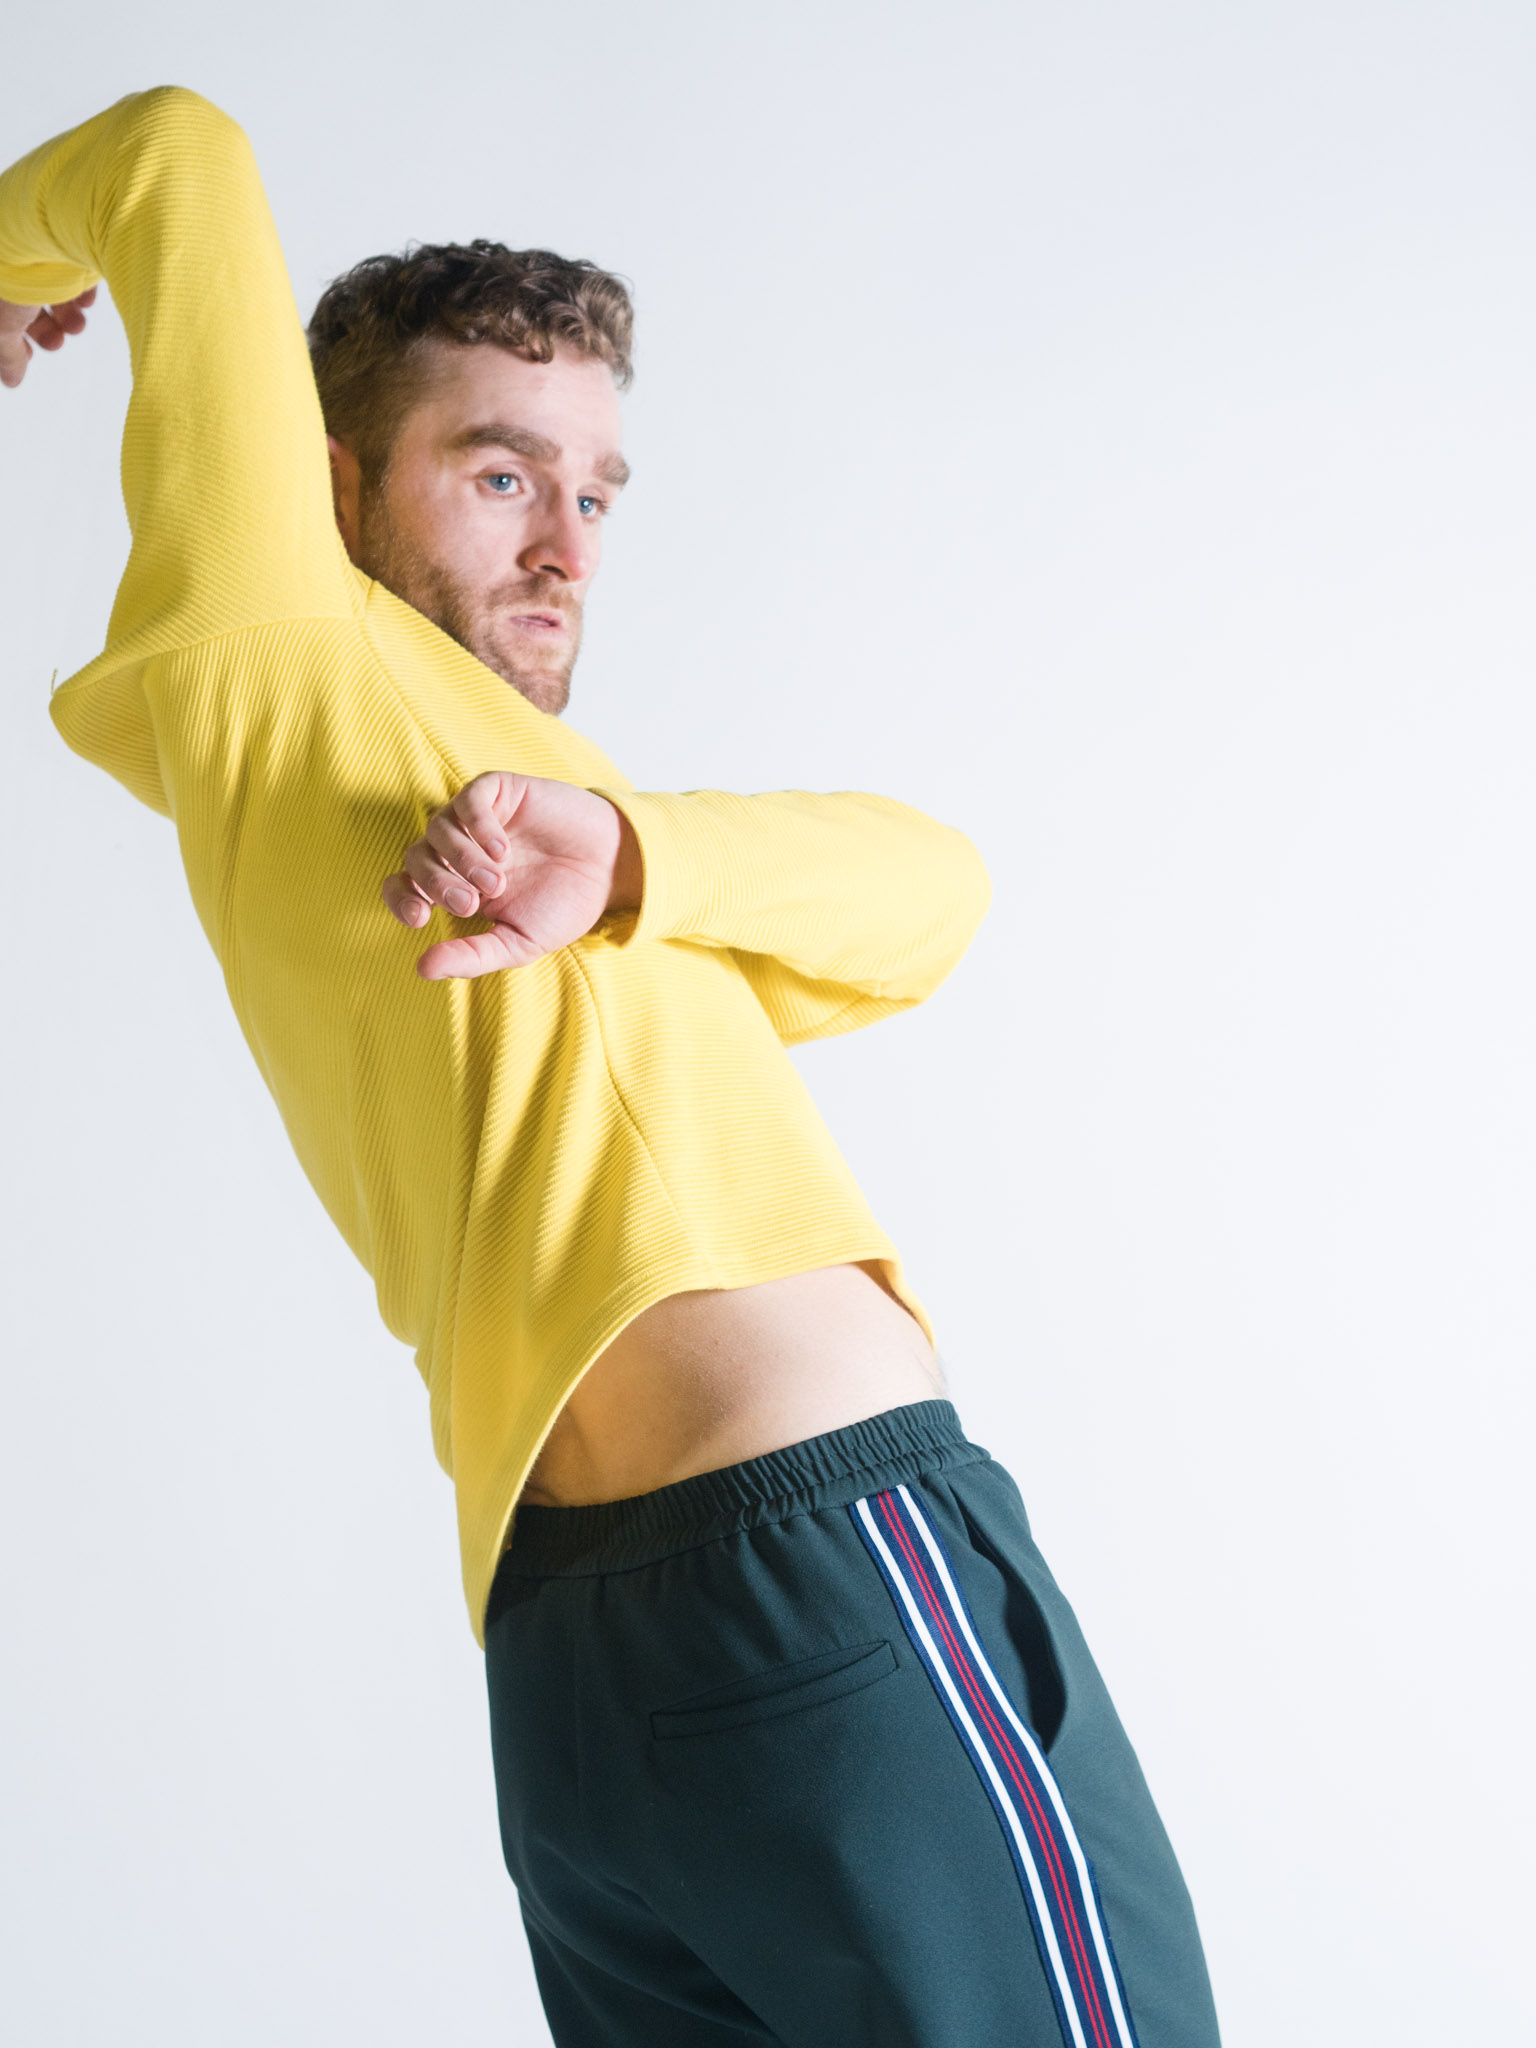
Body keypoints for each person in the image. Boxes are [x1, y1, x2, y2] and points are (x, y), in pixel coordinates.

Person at [0, 85, 1222, 2048]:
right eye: (498, 473)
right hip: (819, 1562)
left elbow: (933, 897)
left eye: (598, 491)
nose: (567, 543)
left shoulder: (536, 840)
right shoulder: (285, 655)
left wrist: (628, 854)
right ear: (328, 488)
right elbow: (173, 150)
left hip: (586, 1670)